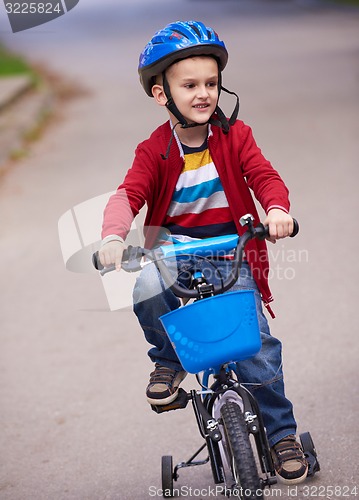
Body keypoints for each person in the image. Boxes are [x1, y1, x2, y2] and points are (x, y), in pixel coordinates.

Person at [99, 21, 308, 485]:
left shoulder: (236, 137)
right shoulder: (154, 150)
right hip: (174, 254)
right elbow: (127, 195)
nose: (203, 94)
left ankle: (281, 437)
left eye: (211, 84)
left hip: (232, 253)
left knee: (257, 349)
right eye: (189, 85)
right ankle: (169, 359)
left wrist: (276, 210)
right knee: (148, 283)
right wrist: (115, 236)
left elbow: (265, 177)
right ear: (161, 94)